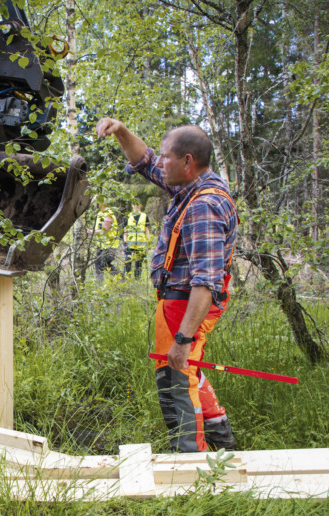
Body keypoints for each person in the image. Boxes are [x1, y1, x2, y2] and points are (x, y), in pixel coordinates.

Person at [96, 118, 237, 452]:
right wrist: (120, 130)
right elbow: (143, 161)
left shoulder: (203, 205)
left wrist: (183, 339)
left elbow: (206, 283)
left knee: (176, 380)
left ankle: (192, 461)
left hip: (187, 304)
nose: (159, 162)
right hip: (178, 301)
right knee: (188, 374)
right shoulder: (190, 185)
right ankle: (222, 445)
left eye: (166, 156)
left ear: (187, 161)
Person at [91, 199, 120, 277]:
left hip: (110, 245)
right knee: (98, 264)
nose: (94, 205)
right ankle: (99, 284)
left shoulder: (108, 214)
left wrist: (90, 232)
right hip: (101, 245)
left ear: (101, 203)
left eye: (95, 203)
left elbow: (105, 230)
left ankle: (120, 277)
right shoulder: (100, 214)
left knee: (104, 264)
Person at [123, 202, 151, 279]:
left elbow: (147, 230)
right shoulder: (128, 216)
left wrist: (148, 242)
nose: (136, 206)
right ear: (132, 205)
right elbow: (125, 230)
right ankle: (127, 277)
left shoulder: (144, 216)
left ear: (140, 205)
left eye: (137, 204)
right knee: (128, 261)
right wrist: (125, 240)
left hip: (141, 244)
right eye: (134, 204)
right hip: (129, 243)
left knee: (138, 263)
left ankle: (137, 279)